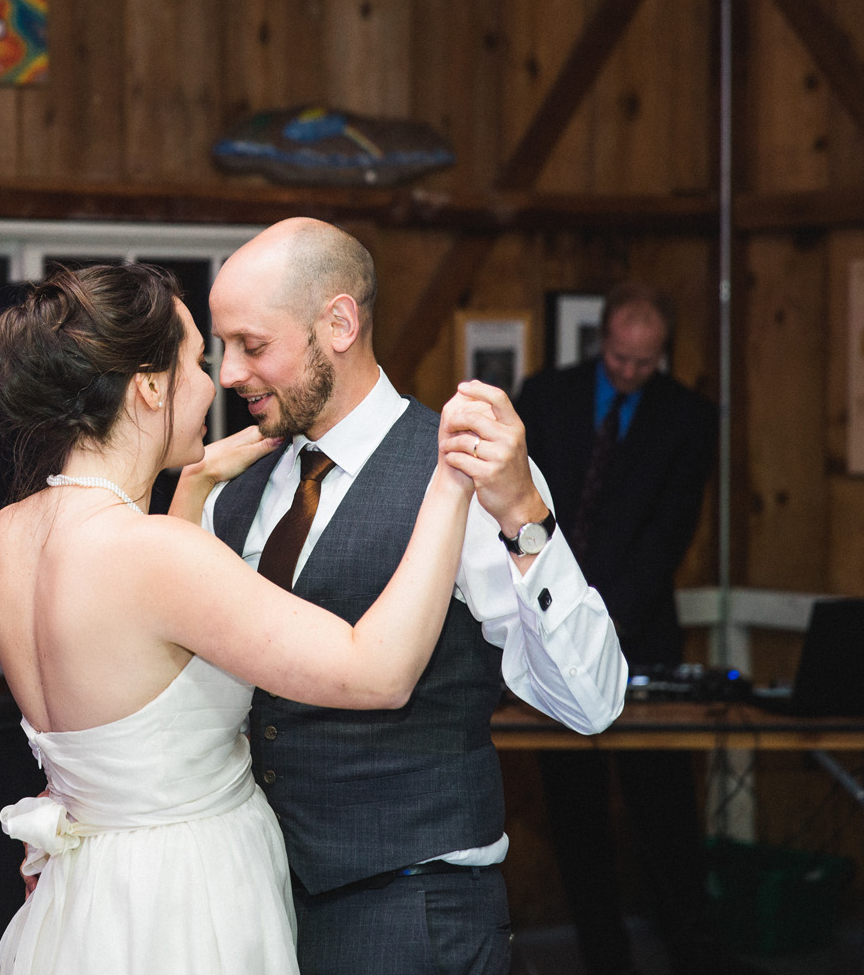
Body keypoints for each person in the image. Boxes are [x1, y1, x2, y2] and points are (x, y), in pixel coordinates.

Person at [0, 262, 516, 975]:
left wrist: (193, 484)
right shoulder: (154, 554)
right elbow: (379, 672)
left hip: (91, 900)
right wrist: (447, 484)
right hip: (188, 897)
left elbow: (138, 653)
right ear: (147, 387)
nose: (219, 381)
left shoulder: (10, 535)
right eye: (197, 359)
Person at [167, 217, 628, 975]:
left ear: (339, 323)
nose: (228, 373)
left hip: (413, 912)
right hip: (254, 909)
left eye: (252, 345)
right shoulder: (233, 493)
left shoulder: (471, 475)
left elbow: (593, 702)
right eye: (221, 348)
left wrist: (523, 517)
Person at [515, 282, 720, 975]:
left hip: (641, 633)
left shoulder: (688, 418)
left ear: (662, 355)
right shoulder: (545, 398)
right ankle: (604, 955)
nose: (630, 372)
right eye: (621, 358)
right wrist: (561, 617)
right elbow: (526, 510)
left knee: (661, 805)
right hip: (550, 630)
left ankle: (688, 948)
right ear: (603, 341)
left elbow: (670, 535)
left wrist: (600, 619)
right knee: (574, 814)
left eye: (645, 362)